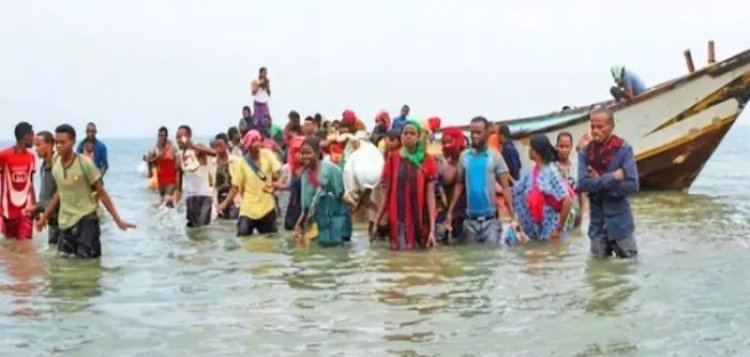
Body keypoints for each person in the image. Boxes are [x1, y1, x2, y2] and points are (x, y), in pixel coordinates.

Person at [36, 124, 135, 258]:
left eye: (63, 142)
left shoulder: (85, 163)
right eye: (57, 142)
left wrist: (118, 220)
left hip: (86, 221)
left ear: (72, 142)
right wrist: (44, 218)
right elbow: (59, 193)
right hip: (65, 223)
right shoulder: (56, 162)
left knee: (88, 267)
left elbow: (101, 193)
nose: (59, 146)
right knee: (63, 266)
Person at [577, 109, 639, 259]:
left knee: (628, 269)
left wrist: (597, 182)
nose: (595, 131)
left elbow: (632, 185)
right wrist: (612, 177)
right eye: (593, 127)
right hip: (597, 226)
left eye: (600, 127)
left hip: (621, 225)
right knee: (598, 274)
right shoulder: (585, 153)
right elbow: (583, 184)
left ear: (611, 126)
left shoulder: (623, 150)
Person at [445, 116, 514, 243]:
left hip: (491, 222)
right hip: (470, 221)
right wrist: (450, 212)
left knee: (490, 258)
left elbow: (506, 187)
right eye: (472, 133)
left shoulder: (495, 156)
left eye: (478, 133)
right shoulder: (464, 157)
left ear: (487, 133)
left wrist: (513, 217)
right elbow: (459, 185)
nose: (474, 136)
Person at [372, 120, 438, 250]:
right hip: (397, 220)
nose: (408, 136)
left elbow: (430, 196)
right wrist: (376, 222)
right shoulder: (392, 159)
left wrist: (432, 229)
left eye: (412, 133)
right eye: (405, 133)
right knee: (398, 258)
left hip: (419, 221)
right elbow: (386, 193)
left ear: (419, 137)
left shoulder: (427, 160)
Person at [217, 130, 283, 236]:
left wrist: (276, 184)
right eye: (253, 141)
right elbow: (235, 187)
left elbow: (279, 173)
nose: (256, 143)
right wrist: (224, 204)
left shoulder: (267, 154)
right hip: (248, 208)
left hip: (267, 206)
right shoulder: (242, 163)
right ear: (248, 145)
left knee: (271, 238)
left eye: (258, 140)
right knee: (243, 235)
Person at [512, 134, 573, 241]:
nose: (528, 150)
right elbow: (517, 191)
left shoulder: (551, 171)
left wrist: (558, 230)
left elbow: (567, 200)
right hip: (537, 232)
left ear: (536, 151)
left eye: (530, 147)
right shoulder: (533, 172)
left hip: (551, 231)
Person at [296, 136, 352, 246]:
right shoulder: (304, 176)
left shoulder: (332, 170)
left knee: (337, 252)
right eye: (302, 153)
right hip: (318, 222)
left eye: (308, 153)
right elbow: (306, 206)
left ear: (317, 153)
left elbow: (340, 193)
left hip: (336, 220)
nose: (304, 156)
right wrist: (298, 225)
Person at [171, 125, 216, 228]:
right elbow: (178, 186)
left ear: (189, 136)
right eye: (177, 137)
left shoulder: (198, 149)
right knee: (192, 229)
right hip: (190, 198)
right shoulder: (178, 157)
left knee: (203, 227)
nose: (178, 140)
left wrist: (192, 146)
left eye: (181, 137)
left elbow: (214, 153)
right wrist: (175, 201)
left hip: (205, 196)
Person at [0, 122, 37, 240]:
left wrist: (35, 207)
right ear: (26, 137)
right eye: (33, 135)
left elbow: (31, 184)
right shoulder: (4, 156)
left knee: (24, 245)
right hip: (7, 213)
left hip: (26, 211)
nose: (34, 139)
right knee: (11, 248)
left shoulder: (31, 157)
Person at [436, 127, 466, 242]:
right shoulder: (439, 162)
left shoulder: (465, 160)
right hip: (444, 210)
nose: (447, 145)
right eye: (444, 142)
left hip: (462, 213)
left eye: (450, 141)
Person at [34, 131, 59, 244]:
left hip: (62, 222)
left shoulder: (58, 165)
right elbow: (46, 194)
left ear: (49, 145)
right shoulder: (44, 166)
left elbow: (60, 195)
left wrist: (38, 207)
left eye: (38, 145)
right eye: (35, 145)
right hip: (52, 221)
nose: (36, 149)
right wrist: (38, 210)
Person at [556, 132, 582, 229]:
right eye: (561, 146)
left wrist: (581, 215)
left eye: (567, 146)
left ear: (571, 147)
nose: (564, 150)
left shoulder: (576, 165)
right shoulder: (552, 168)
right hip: (558, 217)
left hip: (574, 214)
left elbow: (581, 193)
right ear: (556, 147)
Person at [145, 127, 178, 206]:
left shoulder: (172, 148)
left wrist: (179, 179)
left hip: (171, 179)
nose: (162, 137)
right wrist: (150, 172)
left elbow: (178, 163)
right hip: (161, 179)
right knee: (162, 201)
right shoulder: (155, 149)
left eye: (163, 135)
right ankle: (163, 218)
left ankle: (173, 216)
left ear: (167, 136)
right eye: (160, 135)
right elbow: (149, 160)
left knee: (167, 200)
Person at [279, 136, 305, 231]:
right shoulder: (294, 169)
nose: (298, 155)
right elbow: (293, 187)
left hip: (304, 208)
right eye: (296, 152)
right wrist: (277, 186)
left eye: (301, 152)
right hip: (292, 208)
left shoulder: (309, 170)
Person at [212, 134, 240, 220]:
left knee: (233, 223)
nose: (217, 148)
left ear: (227, 145)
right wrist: (215, 204)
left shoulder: (236, 161)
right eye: (215, 146)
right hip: (219, 199)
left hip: (234, 199)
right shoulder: (213, 163)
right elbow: (213, 186)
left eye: (220, 146)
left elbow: (237, 184)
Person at [250, 67, 271, 137]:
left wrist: (267, 86)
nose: (265, 74)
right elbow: (253, 93)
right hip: (257, 103)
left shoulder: (267, 81)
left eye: (266, 73)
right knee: (258, 120)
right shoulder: (255, 81)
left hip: (264, 102)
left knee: (267, 119)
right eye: (264, 73)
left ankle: (266, 134)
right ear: (260, 73)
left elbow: (269, 93)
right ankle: (258, 134)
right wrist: (259, 85)